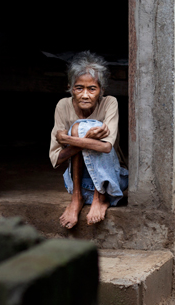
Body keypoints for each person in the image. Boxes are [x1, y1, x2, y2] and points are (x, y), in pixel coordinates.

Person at [48, 51, 128, 229]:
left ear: (101, 91)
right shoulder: (63, 106)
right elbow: (57, 158)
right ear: (70, 88)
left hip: (112, 181)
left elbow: (106, 147)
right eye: (79, 88)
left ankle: (100, 197)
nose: (85, 95)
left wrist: (68, 138)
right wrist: (86, 139)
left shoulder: (110, 103)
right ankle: (77, 197)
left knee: (80, 127)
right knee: (79, 127)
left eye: (92, 89)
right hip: (79, 184)